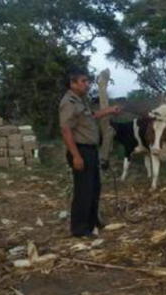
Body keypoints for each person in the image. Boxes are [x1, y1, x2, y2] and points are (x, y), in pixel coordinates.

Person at [59, 68, 120, 238]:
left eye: (87, 81)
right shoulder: (69, 102)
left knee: (94, 188)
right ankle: (79, 229)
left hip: (91, 150)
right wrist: (76, 156)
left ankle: (93, 222)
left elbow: (90, 116)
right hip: (80, 150)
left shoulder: (80, 100)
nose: (87, 84)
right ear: (73, 83)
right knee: (83, 191)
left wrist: (108, 111)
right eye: (83, 81)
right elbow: (66, 130)